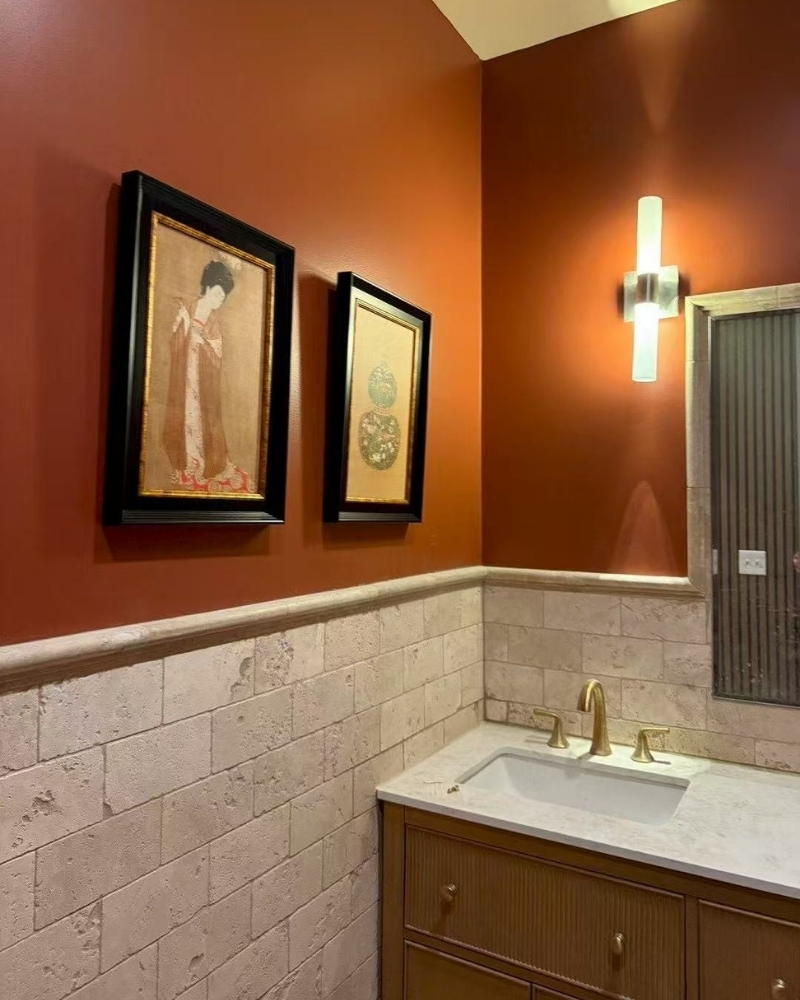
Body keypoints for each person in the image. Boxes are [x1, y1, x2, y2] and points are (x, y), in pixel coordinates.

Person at [162, 258, 253, 493]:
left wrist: (202, 341)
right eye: (216, 294)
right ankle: (188, 460)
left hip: (203, 382)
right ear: (208, 287)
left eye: (222, 298)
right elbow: (175, 342)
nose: (218, 301)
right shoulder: (189, 308)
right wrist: (184, 325)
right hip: (185, 376)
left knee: (203, 419)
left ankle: (203, 461)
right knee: (185, 416)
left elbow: (216, 355)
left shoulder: (213, 321)